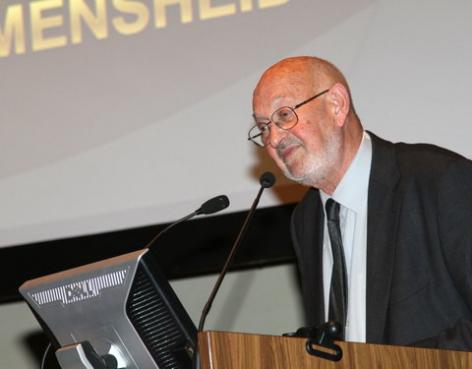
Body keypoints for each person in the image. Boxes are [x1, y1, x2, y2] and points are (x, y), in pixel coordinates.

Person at [250, 56, 472, 350]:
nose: (274, 138)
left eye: (284, 115)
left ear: (337, 105)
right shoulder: (306, 219)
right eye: (264, 127)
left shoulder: (439, 180)